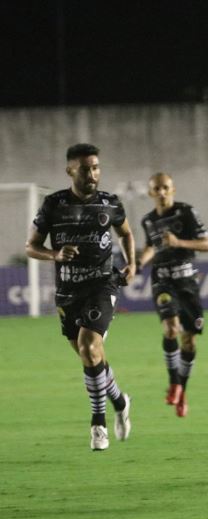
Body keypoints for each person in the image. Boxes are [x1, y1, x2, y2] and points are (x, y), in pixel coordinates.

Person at [25, 143, 134, 451]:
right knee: (92, 357)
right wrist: (55, 254)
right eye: (85, 169)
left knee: (89, 346)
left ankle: (98, 425)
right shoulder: (53, 204)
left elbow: (126, 233)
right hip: (68, 292)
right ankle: (120, 401)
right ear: (70, 171)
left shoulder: (110, 203)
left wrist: (133, 263)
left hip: (102, 285)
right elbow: (31, 246)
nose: (92, 174)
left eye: (96, 168)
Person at [137, 173, 208, 418]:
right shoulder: (148, 220)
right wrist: (138, 263)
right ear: (151, 193)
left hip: (187, 282)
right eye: (157, 189)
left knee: (188, 341)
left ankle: (182, 389)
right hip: (162, 280)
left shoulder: (186, 212)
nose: (161, 192)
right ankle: (173, 383)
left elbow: (207, 244)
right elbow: (151, 246)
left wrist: (179, 242)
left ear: (173, 189)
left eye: (165, 187)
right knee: (171, 328)